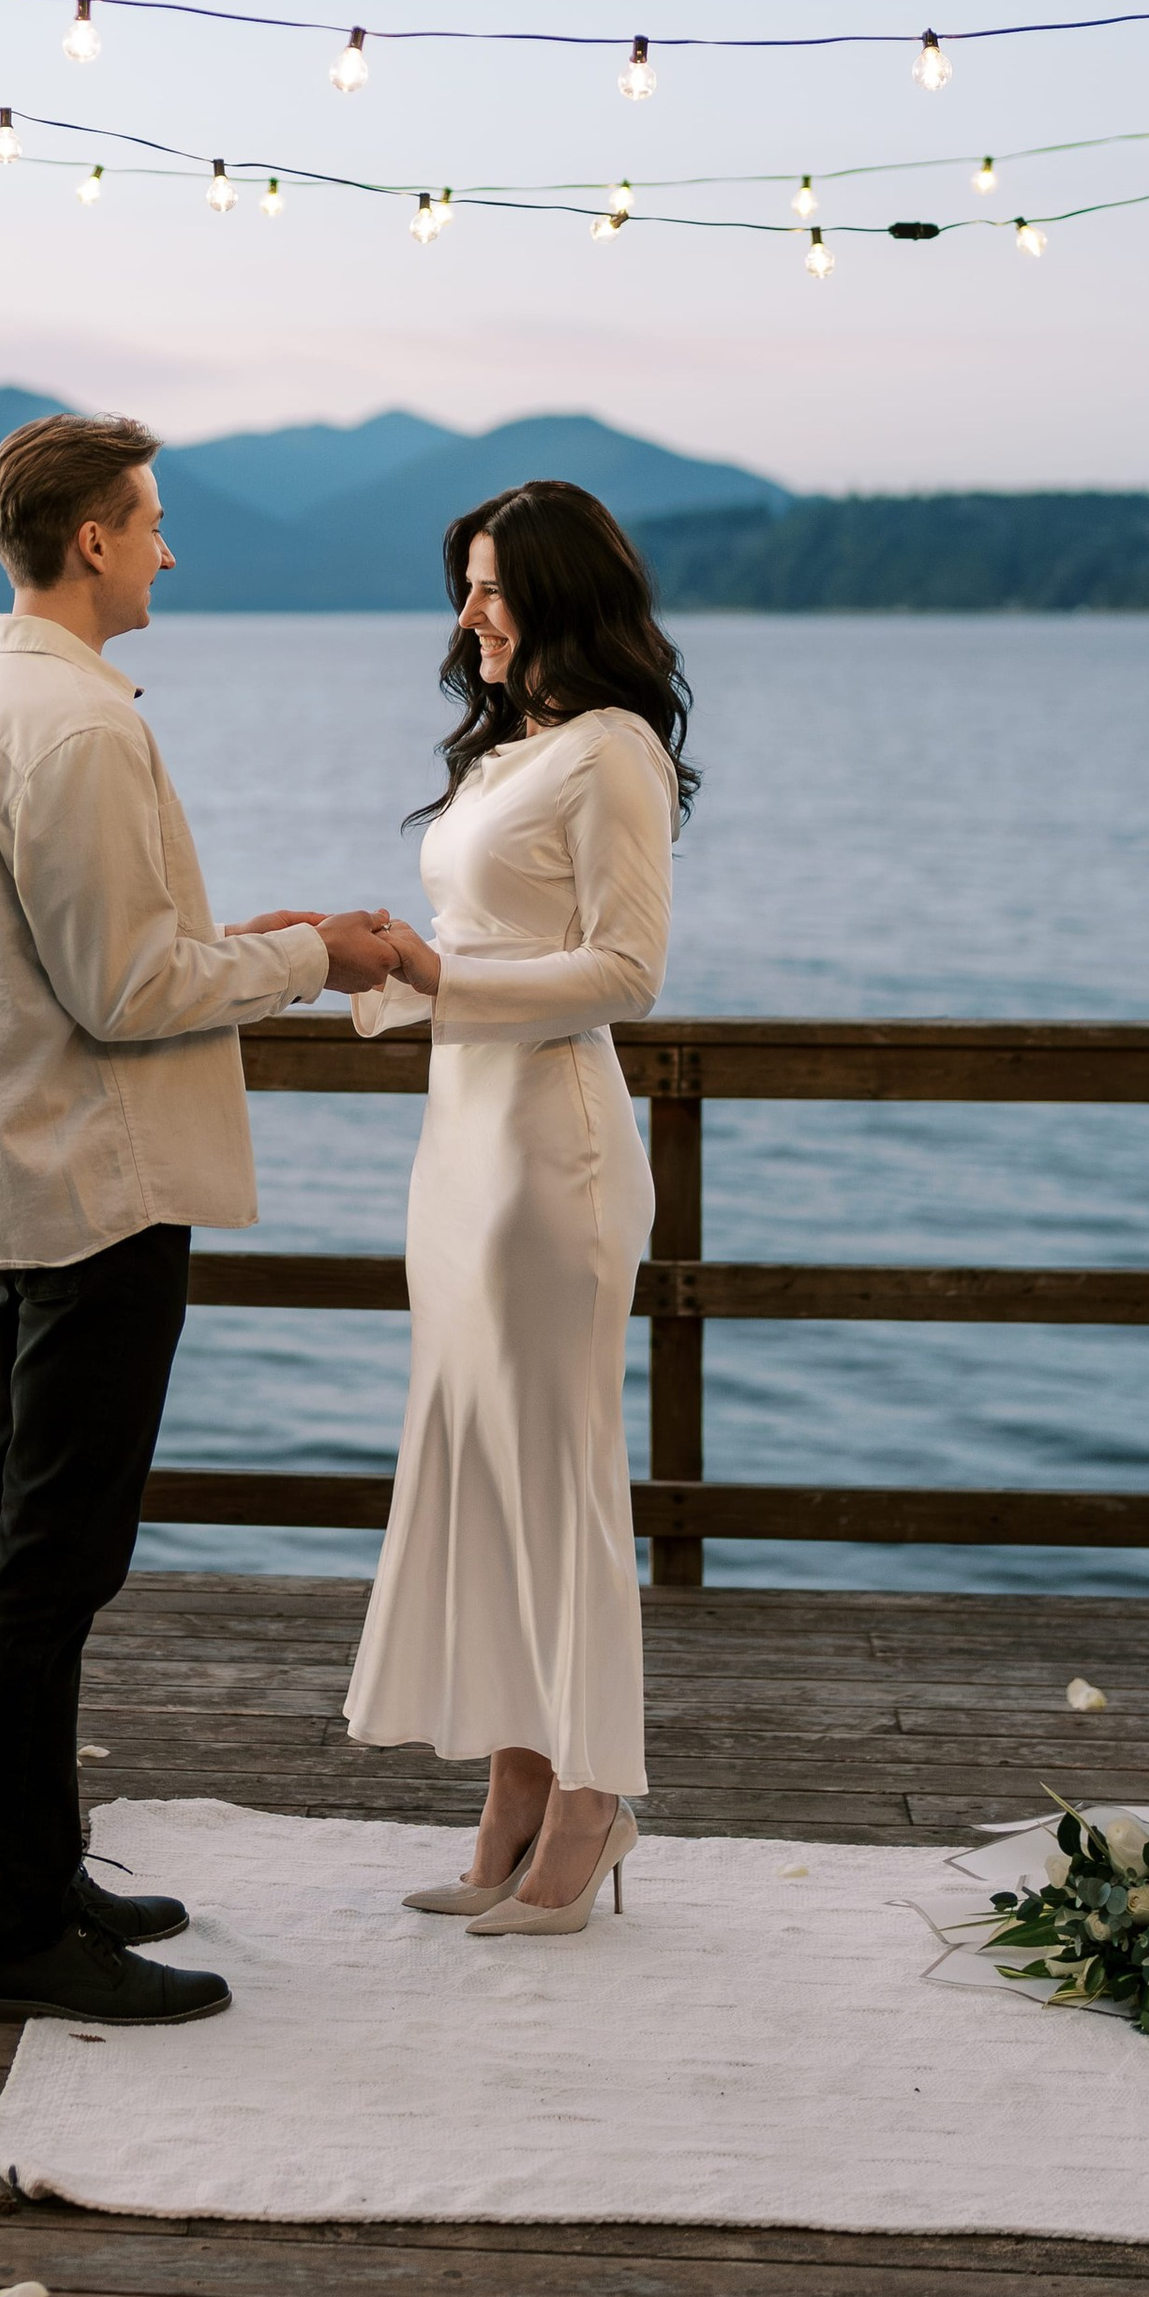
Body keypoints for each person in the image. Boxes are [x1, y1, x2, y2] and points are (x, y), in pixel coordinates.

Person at [0, 410, 399, 2025]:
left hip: (30, 1168)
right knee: (56, 1560)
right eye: (154, 519)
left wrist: (236, 937)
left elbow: (104, 952)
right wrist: (314, 956)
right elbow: (128, 993)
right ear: (97, 541)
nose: (172, 548)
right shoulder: (76, 728)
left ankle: (20, 1866)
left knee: (7, 1540)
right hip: (98, 1184)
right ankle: (14, 1927)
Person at [344, 478, 693, 1936]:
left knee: (563, 1481)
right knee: (487, 1472)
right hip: (462, 1145)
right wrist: (360, 960)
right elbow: (466, 948)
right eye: (465, 587)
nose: (469, 615)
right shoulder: (511, 753)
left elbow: (628, 975)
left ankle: (593, 1806)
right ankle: (512, 1789)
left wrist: (440, 978)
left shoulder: (612, 755)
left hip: (556, 1153)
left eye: (491, 587)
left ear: (560, 595)